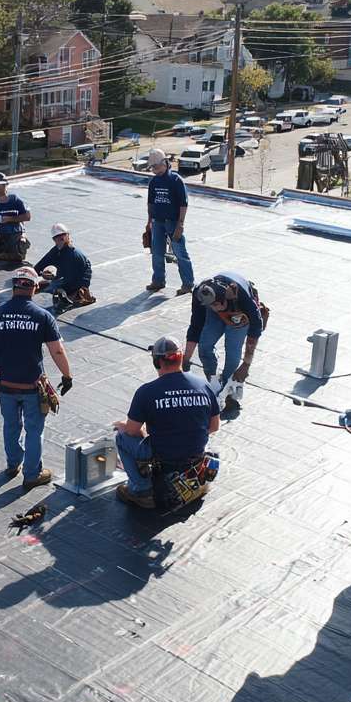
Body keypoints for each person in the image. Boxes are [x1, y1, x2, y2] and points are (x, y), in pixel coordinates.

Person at [0, 267, 74, 490]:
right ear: (35, 287)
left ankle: (13, 464)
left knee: (10, 426)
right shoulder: (43, 317)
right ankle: (32, 474)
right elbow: (57, 351)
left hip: (5, 385)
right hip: (31, 386)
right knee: (34, 430)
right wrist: (67, 376)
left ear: (14, 285)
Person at [114, 336, 220, 509]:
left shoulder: (147, 392)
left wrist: (122, 425)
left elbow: (132, 431)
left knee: (122, 437)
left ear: (157, 362)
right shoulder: (203, 385)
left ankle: (141, 490)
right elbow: (214, 426)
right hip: (195, 453)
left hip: (164, 456)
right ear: (181, 357)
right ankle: (197, 481)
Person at [183, 272, 264, 408]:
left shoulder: (242, 297)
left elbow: (255, 330)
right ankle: (214, 384)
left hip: (239, 315)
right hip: (217, 311)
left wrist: (246, 364)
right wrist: (186, 359)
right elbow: (196, 326)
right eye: (211, 306)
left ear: (225, 299)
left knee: (232, 354)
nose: (214, 308)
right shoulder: (200, 294)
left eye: (216, 305)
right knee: (204, 347)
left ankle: (228, 388)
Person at [144, 149, 195, 295]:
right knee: (157, 253)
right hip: (158, 222)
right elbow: (151, 203)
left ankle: (188, 284)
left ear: (164, 163)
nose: (155, 170)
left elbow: (183, 204)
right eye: (152, 168)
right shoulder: (154, 182)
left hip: (173, 222)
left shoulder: (176, 180)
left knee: (180, 253)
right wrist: (149, 222)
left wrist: (180, 224)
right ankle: (158, 280)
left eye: (156, 167)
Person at [33, 223, 94, 308]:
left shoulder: (73, 254)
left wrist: (52, 280)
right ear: (54, 239)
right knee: (37, 286)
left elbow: (75, 277)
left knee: (61, 299)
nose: (61, 238)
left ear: (68, 235)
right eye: (57, 236)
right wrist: (31, 275)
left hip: (77, 282)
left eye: (63, 235)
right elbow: (40, 266)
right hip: (64, 279)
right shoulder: (55, 251)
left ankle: (79, 295)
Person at [0, 172, 31, 263]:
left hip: (15, 233)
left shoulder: (15, 199)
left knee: (17, 254)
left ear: (5, 186)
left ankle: (12, 252)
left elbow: (27, 216)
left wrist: (10, 219)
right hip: (2, 234)